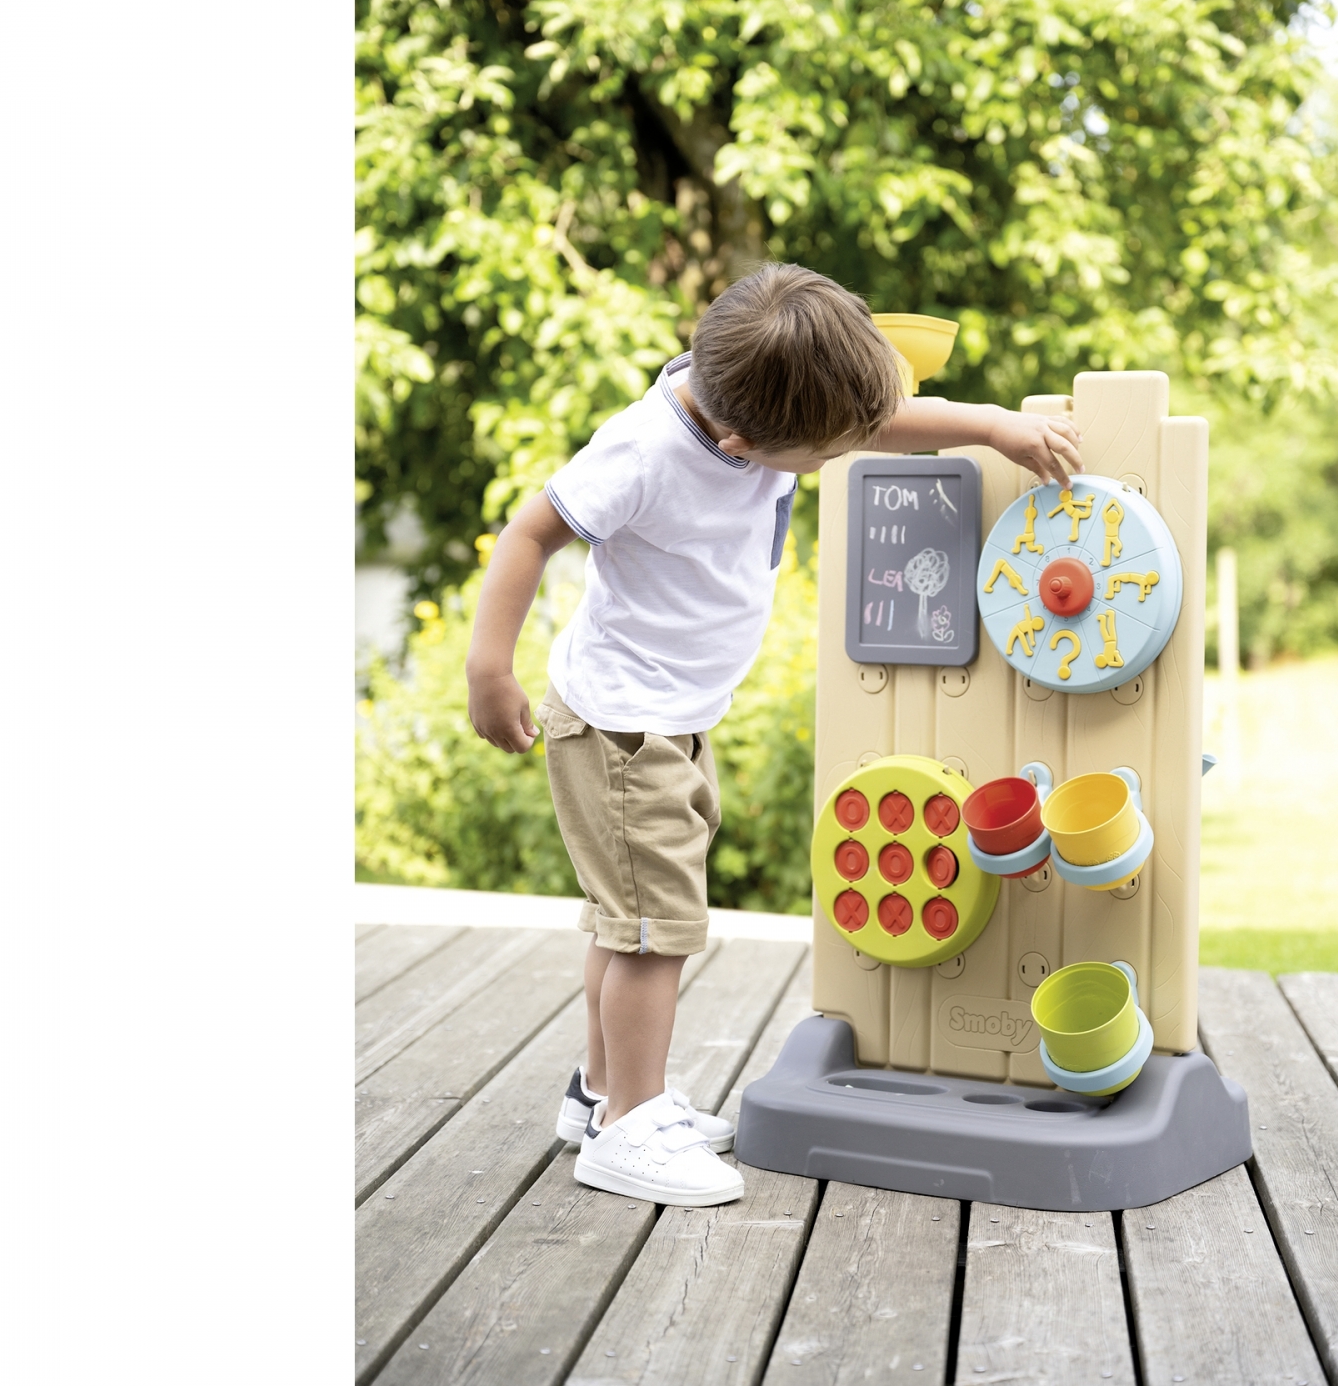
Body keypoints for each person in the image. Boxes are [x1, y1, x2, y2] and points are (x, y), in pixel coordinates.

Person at [465, 264, 1084, 1205]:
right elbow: (529, 534)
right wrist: (489, 667)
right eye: (825, 454)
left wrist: (993, 426)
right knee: (655, 935)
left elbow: (875, 420)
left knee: (626, 920)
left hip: (667, 719)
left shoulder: (759, 397)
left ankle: (600, 1096)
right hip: (624, 727)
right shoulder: (642, 452)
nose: (840, 457)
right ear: (743, 444)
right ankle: (631, 1124)